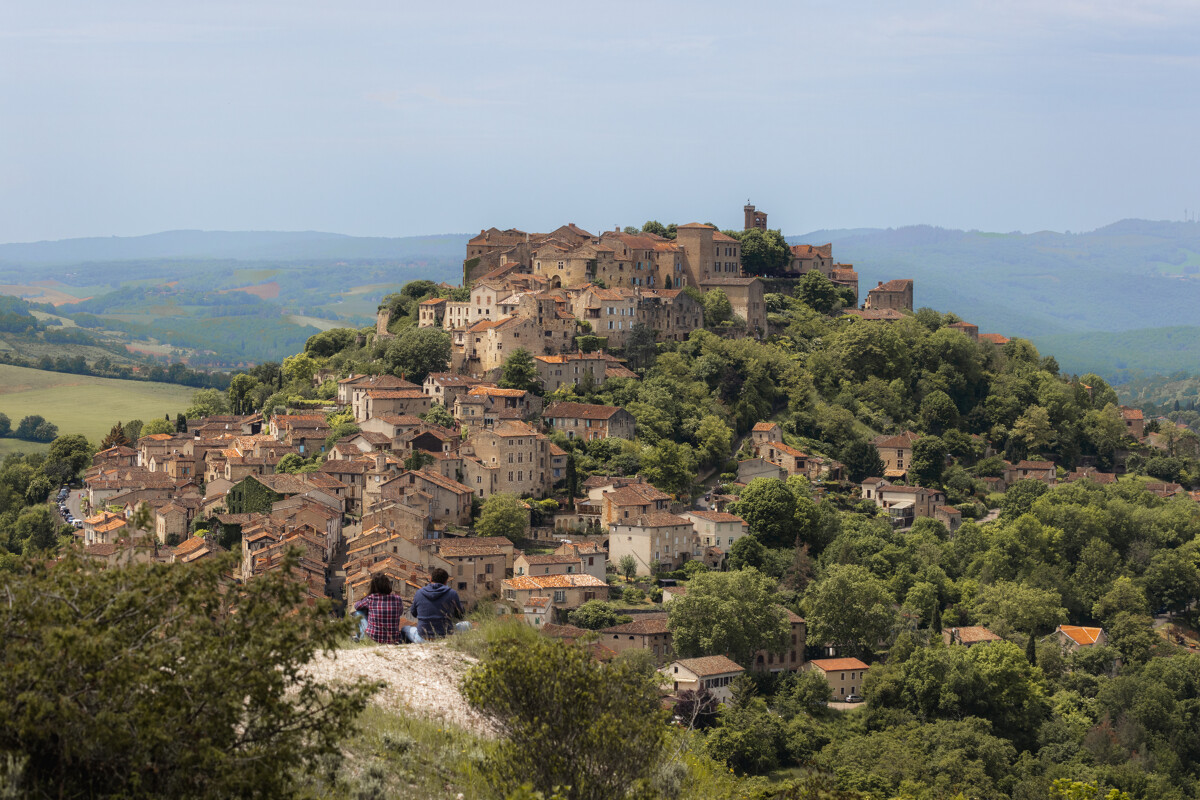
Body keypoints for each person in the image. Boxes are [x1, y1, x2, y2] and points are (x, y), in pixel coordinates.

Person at [404, 568, 472, 643]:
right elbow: (461, 615)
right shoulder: (452, 593)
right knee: (467, 625)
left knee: (405, 629)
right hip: (446, 636)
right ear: (446, 582)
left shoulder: (419, 593)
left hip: (422, 638)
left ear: (430, 579)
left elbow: (413, 613)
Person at [352, 574, 406, 644]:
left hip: (374, 639)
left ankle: (360, 639)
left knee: (358, 613)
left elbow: (356, 606)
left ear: (373, 586)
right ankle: (359, 638)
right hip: (393, 639)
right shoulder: (398, 599)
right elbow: (400, 613)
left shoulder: (371, 598)